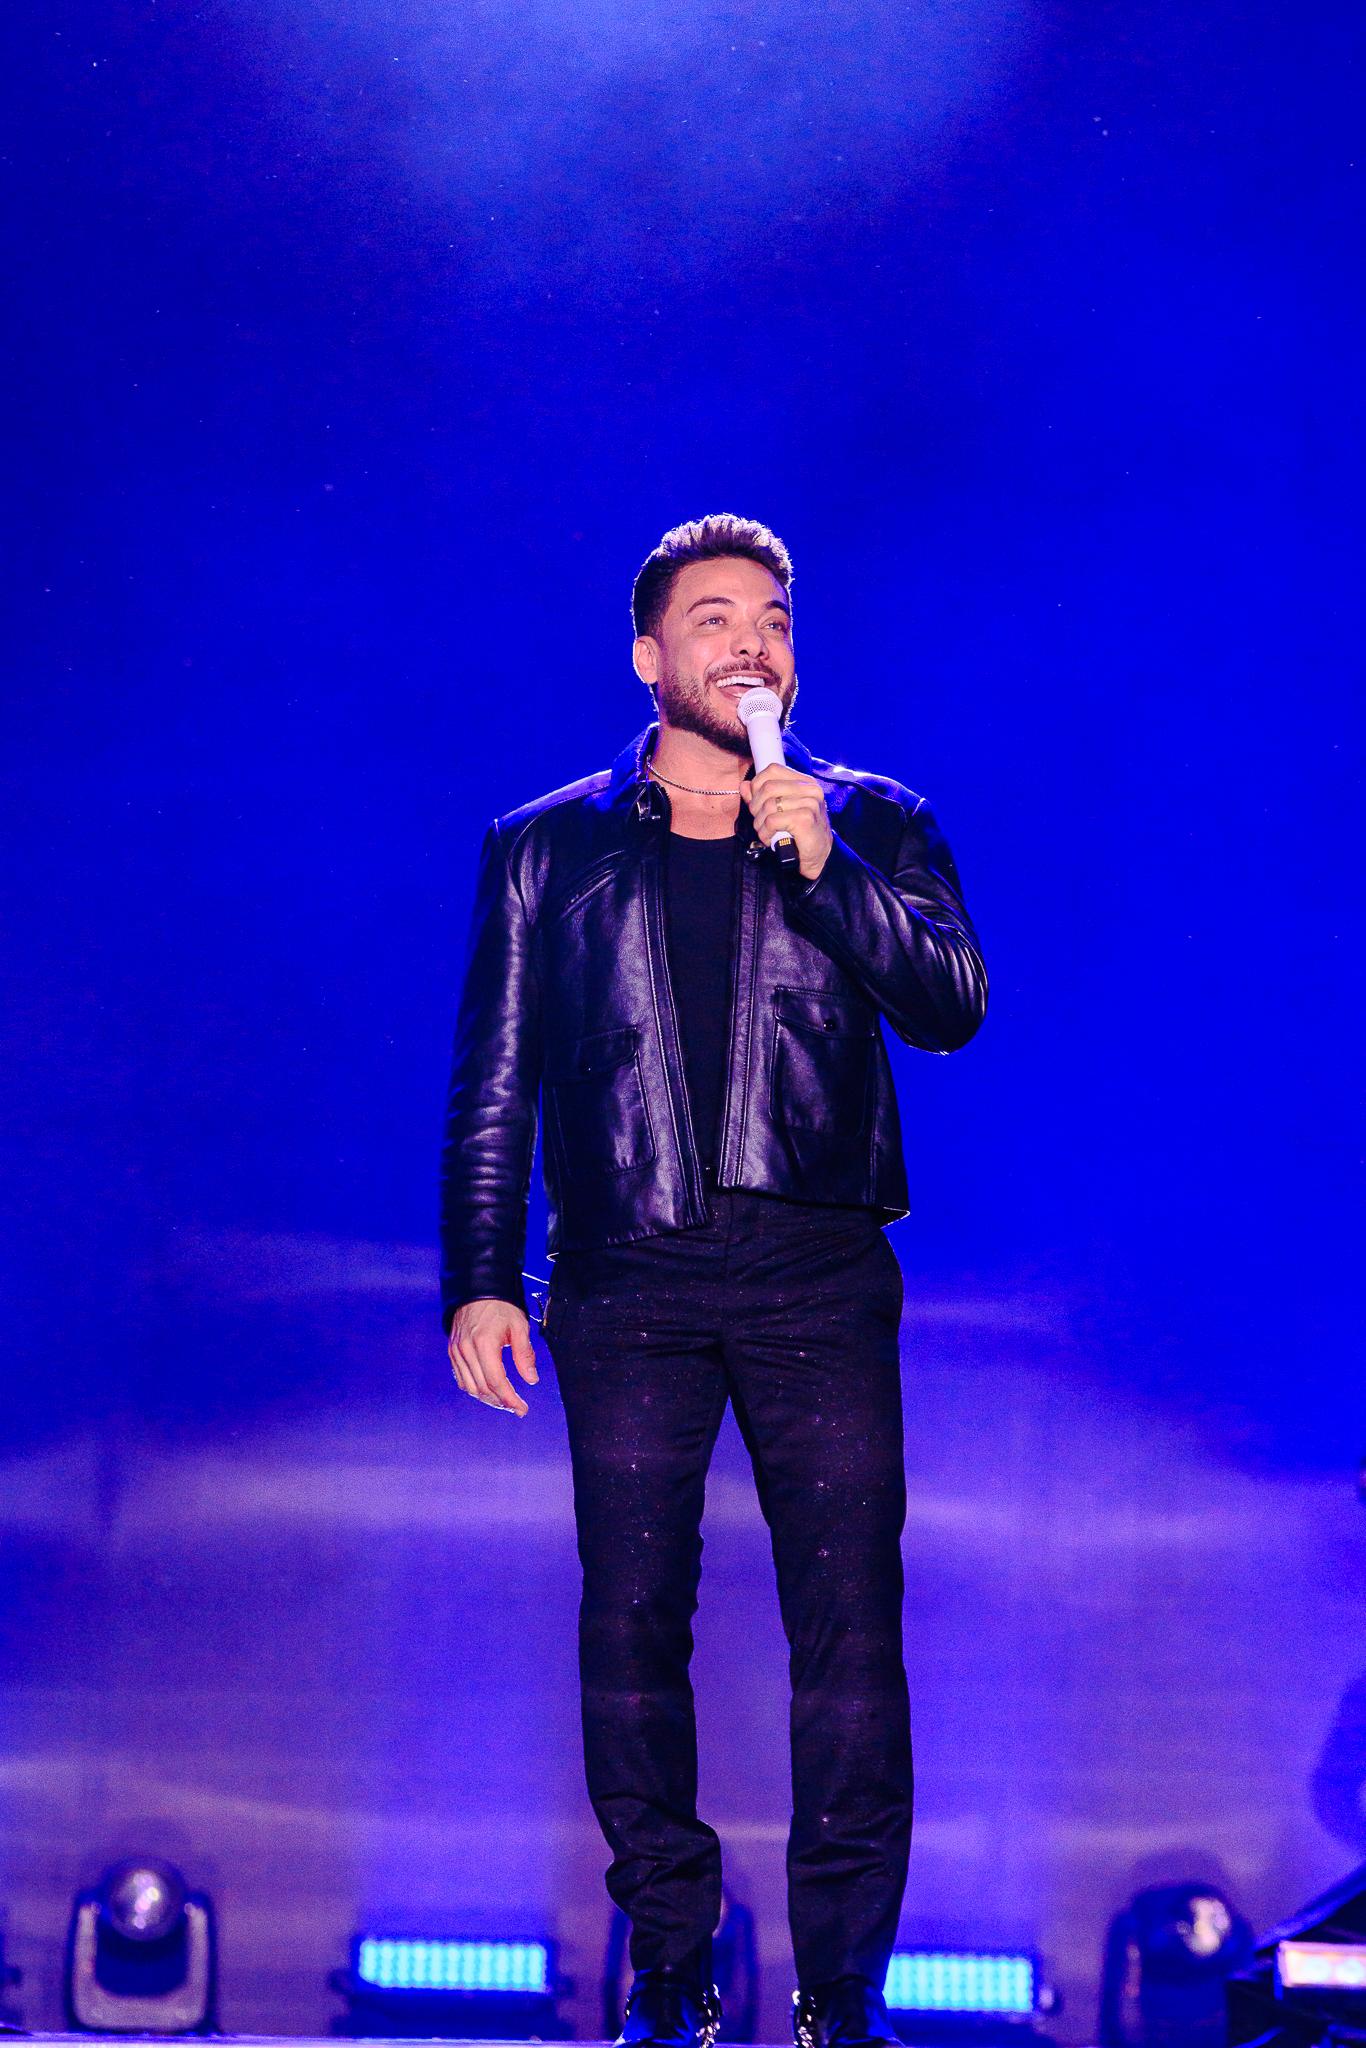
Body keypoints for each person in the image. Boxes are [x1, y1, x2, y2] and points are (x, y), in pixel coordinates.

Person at [439, 514, 987, 2048]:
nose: (750, 641)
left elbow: (949, 1005)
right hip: (626, 1272)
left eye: (772, 619)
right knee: (629, 1620)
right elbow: (493, 1080)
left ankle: (841, 1990)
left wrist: (826, 867)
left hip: (815, 1265)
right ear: (648, 657)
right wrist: (480, 1275)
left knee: (848, 1627)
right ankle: (669, 1963)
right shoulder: (545, 847)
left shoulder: (872, 819)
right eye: (714, 618)